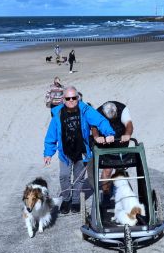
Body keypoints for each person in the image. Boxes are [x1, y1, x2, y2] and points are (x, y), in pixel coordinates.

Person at [44, 86, 115, 214]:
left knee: (79, 177)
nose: (71, 100)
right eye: (68, 98)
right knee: (64, 176)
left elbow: (100, 121)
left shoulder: (85, 110)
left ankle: (76, 201)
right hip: (65, 152)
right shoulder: (58, 114)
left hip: (81, 151)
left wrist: (109, 133)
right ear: (63, 100)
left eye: (74, 98)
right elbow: (51, 135)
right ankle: (66, 200)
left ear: (78, 98)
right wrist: (48, 153)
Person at [90, 101, 134, 200]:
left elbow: (129, 124)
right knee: (107, 169)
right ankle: (105, 193)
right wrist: (97, 137)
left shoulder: (122, 109)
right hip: (106, 142)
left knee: (120, 167)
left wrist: (127, 135)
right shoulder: (99, 112)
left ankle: (121, 190)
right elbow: (94, 127)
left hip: (121, 141)